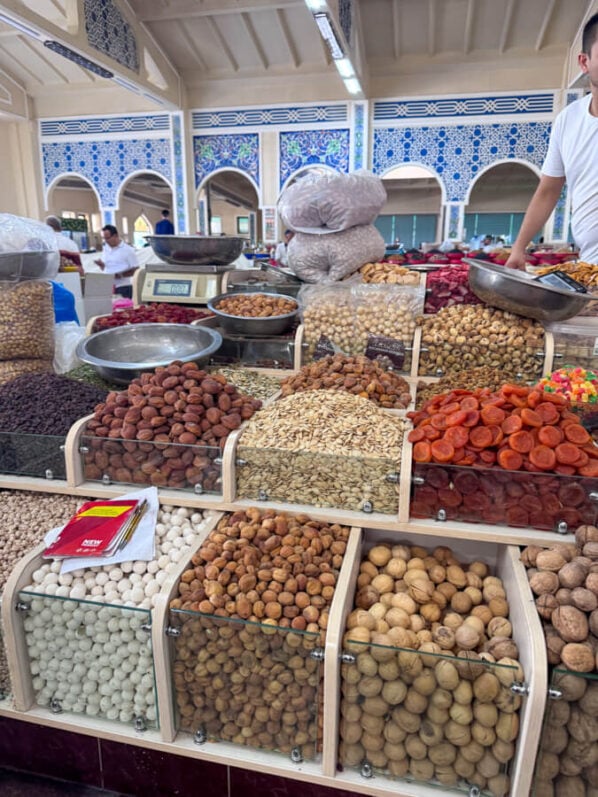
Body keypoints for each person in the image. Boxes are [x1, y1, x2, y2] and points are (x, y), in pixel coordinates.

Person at [506, 12, 598, 269]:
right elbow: (548, 190)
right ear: (584, 62)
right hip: (591, 268)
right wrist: (518, 248)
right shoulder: (568, 120)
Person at [94, 224, 138, 298]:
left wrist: (120, 275)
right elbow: (107, 268)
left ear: (115, 235)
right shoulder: (106, 249)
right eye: (104, 238)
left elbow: (136, 269)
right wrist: (102, 265)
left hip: (123, 287)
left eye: (108, 238)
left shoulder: (128, 250)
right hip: (108, 286)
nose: (106, 241)